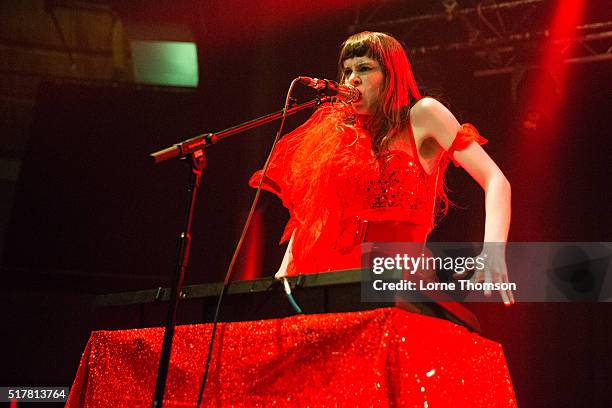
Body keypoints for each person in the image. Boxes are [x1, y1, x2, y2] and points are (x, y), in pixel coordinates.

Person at [250, 31, 513, 304]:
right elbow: (314, 215)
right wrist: (284, 273)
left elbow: (495, 178)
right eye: (347, 70)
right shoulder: (337, 133)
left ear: (391, 75)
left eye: (364, 68)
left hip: (396, 281)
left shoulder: (423, 115)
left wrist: (493, 249)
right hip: (329, 278)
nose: (352, 78)